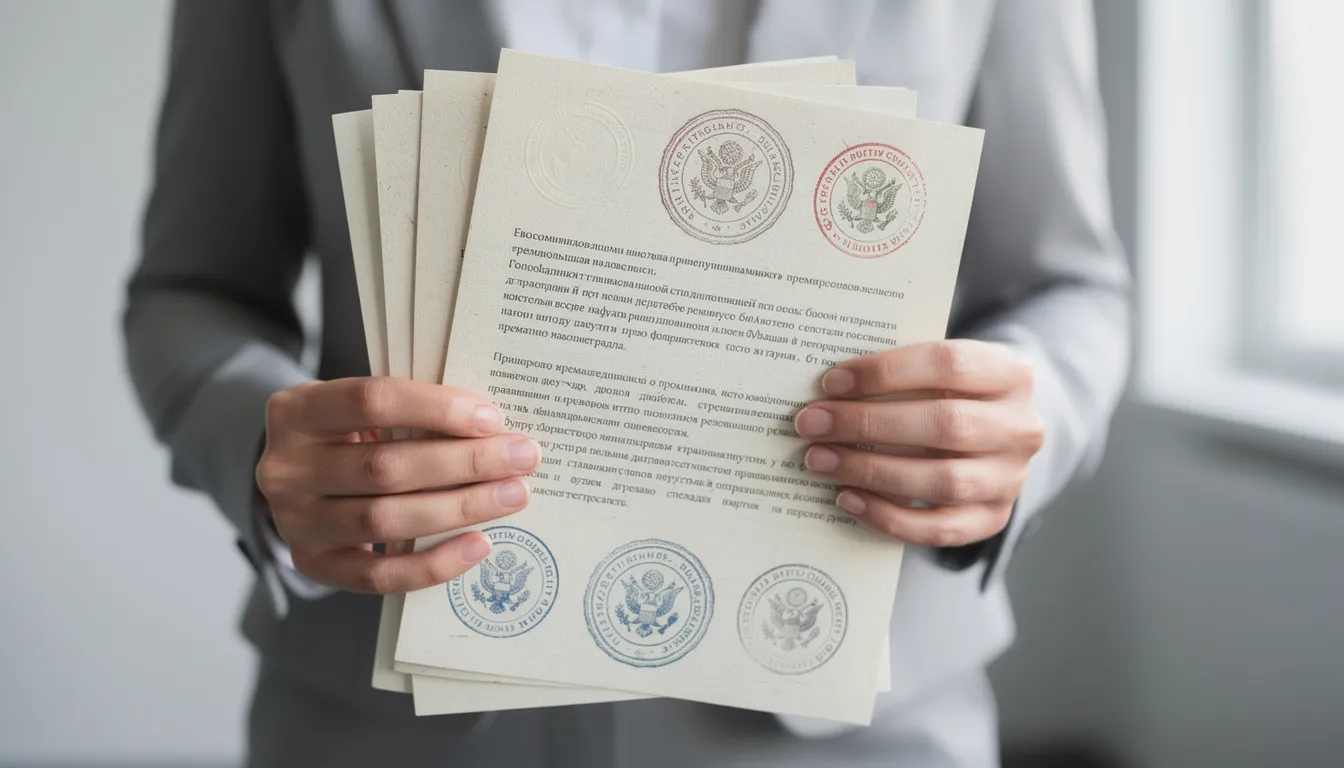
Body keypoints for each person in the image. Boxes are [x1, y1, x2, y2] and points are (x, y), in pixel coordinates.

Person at [122, 2, 1131, 766]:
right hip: (388, 713)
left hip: (852, 714)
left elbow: (1068, 287)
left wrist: (1013, 418)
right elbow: (192, 288)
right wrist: (262, 449)